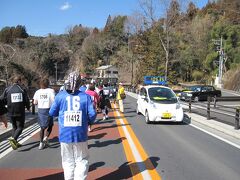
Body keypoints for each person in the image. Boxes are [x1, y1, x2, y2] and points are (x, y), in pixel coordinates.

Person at [49, 71, 96, 180]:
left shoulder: (60, 96)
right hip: (81, 134)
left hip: (64, 134)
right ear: (80, 83)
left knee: (67, 160)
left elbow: (52, 113)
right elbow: (92, 114)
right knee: (82, 159)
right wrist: (88, 122)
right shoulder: (85, 96)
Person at [0, 75, 30, 150]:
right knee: (20, 127)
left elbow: (1, 99)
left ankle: (14, 143)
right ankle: (13, 139)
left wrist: (5, 106)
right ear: (19, 81)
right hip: (20, 111)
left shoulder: (7, 89)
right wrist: (28, 107)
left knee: (14, 127)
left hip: (10, 111)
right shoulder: (22, 89)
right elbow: (26, 100)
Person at [33, 78, 55, 150]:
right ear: (48, 83)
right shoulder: (51, 91)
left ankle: (41, 143)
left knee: (42, 127)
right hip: (49, 109)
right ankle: (46, 137)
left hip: (41, 110)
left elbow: (35, 102)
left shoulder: (37, 92)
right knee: (50, 125)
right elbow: (54, 100)